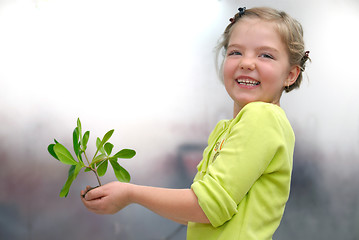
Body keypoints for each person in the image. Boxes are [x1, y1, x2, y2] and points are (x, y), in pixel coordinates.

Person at [81, 6, 310, 239]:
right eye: (235, 52)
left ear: (291, 74)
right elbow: (198, 211)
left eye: (266, 55)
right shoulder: (228, 128)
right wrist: (128, 198)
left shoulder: (262, 117)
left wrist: (131, 194)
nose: (247, 63)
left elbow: (207, 206)